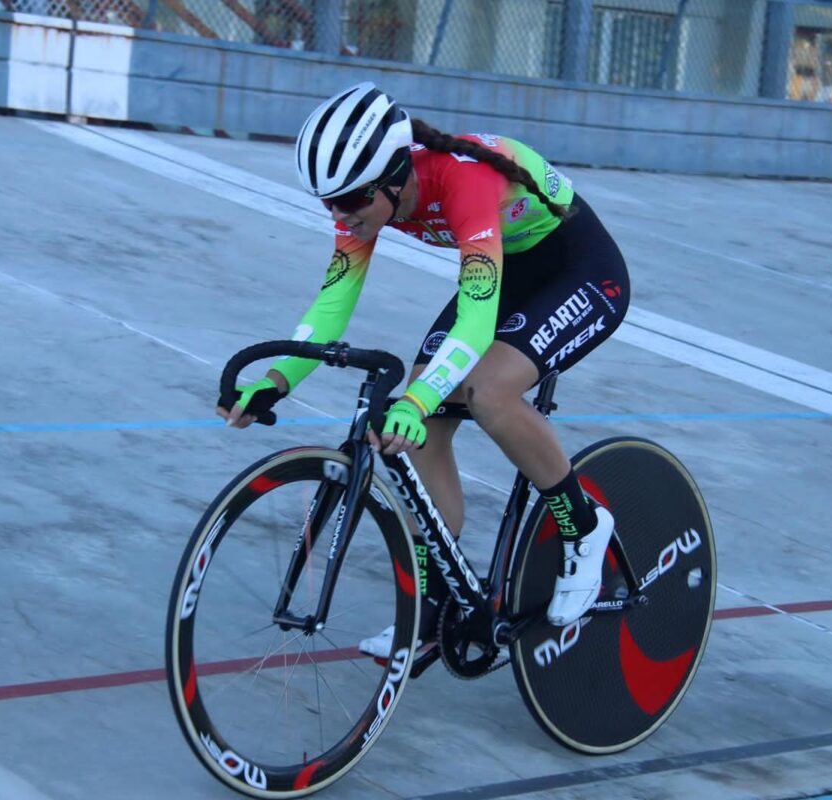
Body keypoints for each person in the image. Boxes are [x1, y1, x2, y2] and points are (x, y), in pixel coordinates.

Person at [216, 82, 631, 659]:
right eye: (328, 203)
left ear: (394, 177)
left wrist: (418, 398)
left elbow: (476, 320)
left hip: (578, 270)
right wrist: (277, 380)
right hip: (506, 269)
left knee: (486, 392)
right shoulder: (364, 200)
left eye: (350, 200)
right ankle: (439, 605)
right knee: (422, 428)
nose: (340, 215)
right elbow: (333, 303)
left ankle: (583, 527)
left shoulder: (463, 181)